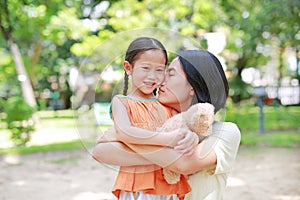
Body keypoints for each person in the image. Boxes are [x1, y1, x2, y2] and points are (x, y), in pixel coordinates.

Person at [93, 50, 241, 200]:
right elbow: (100, 151)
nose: (160, 80)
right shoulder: (158, 123)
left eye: (171, 74)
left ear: (193, 86)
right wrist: (161, 148)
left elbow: (184, 164)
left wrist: (127, 136)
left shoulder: (225, 132)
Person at [108, 37, 192, 200]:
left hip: (168, 184)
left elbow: (181, 130)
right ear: (128, 67)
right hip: (137, 183)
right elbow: (125, 132)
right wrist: (168, 139)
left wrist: (189, 137)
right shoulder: (122, 102)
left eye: (159, 70)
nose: (152, 76)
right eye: (145, 68)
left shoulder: (165, 103)